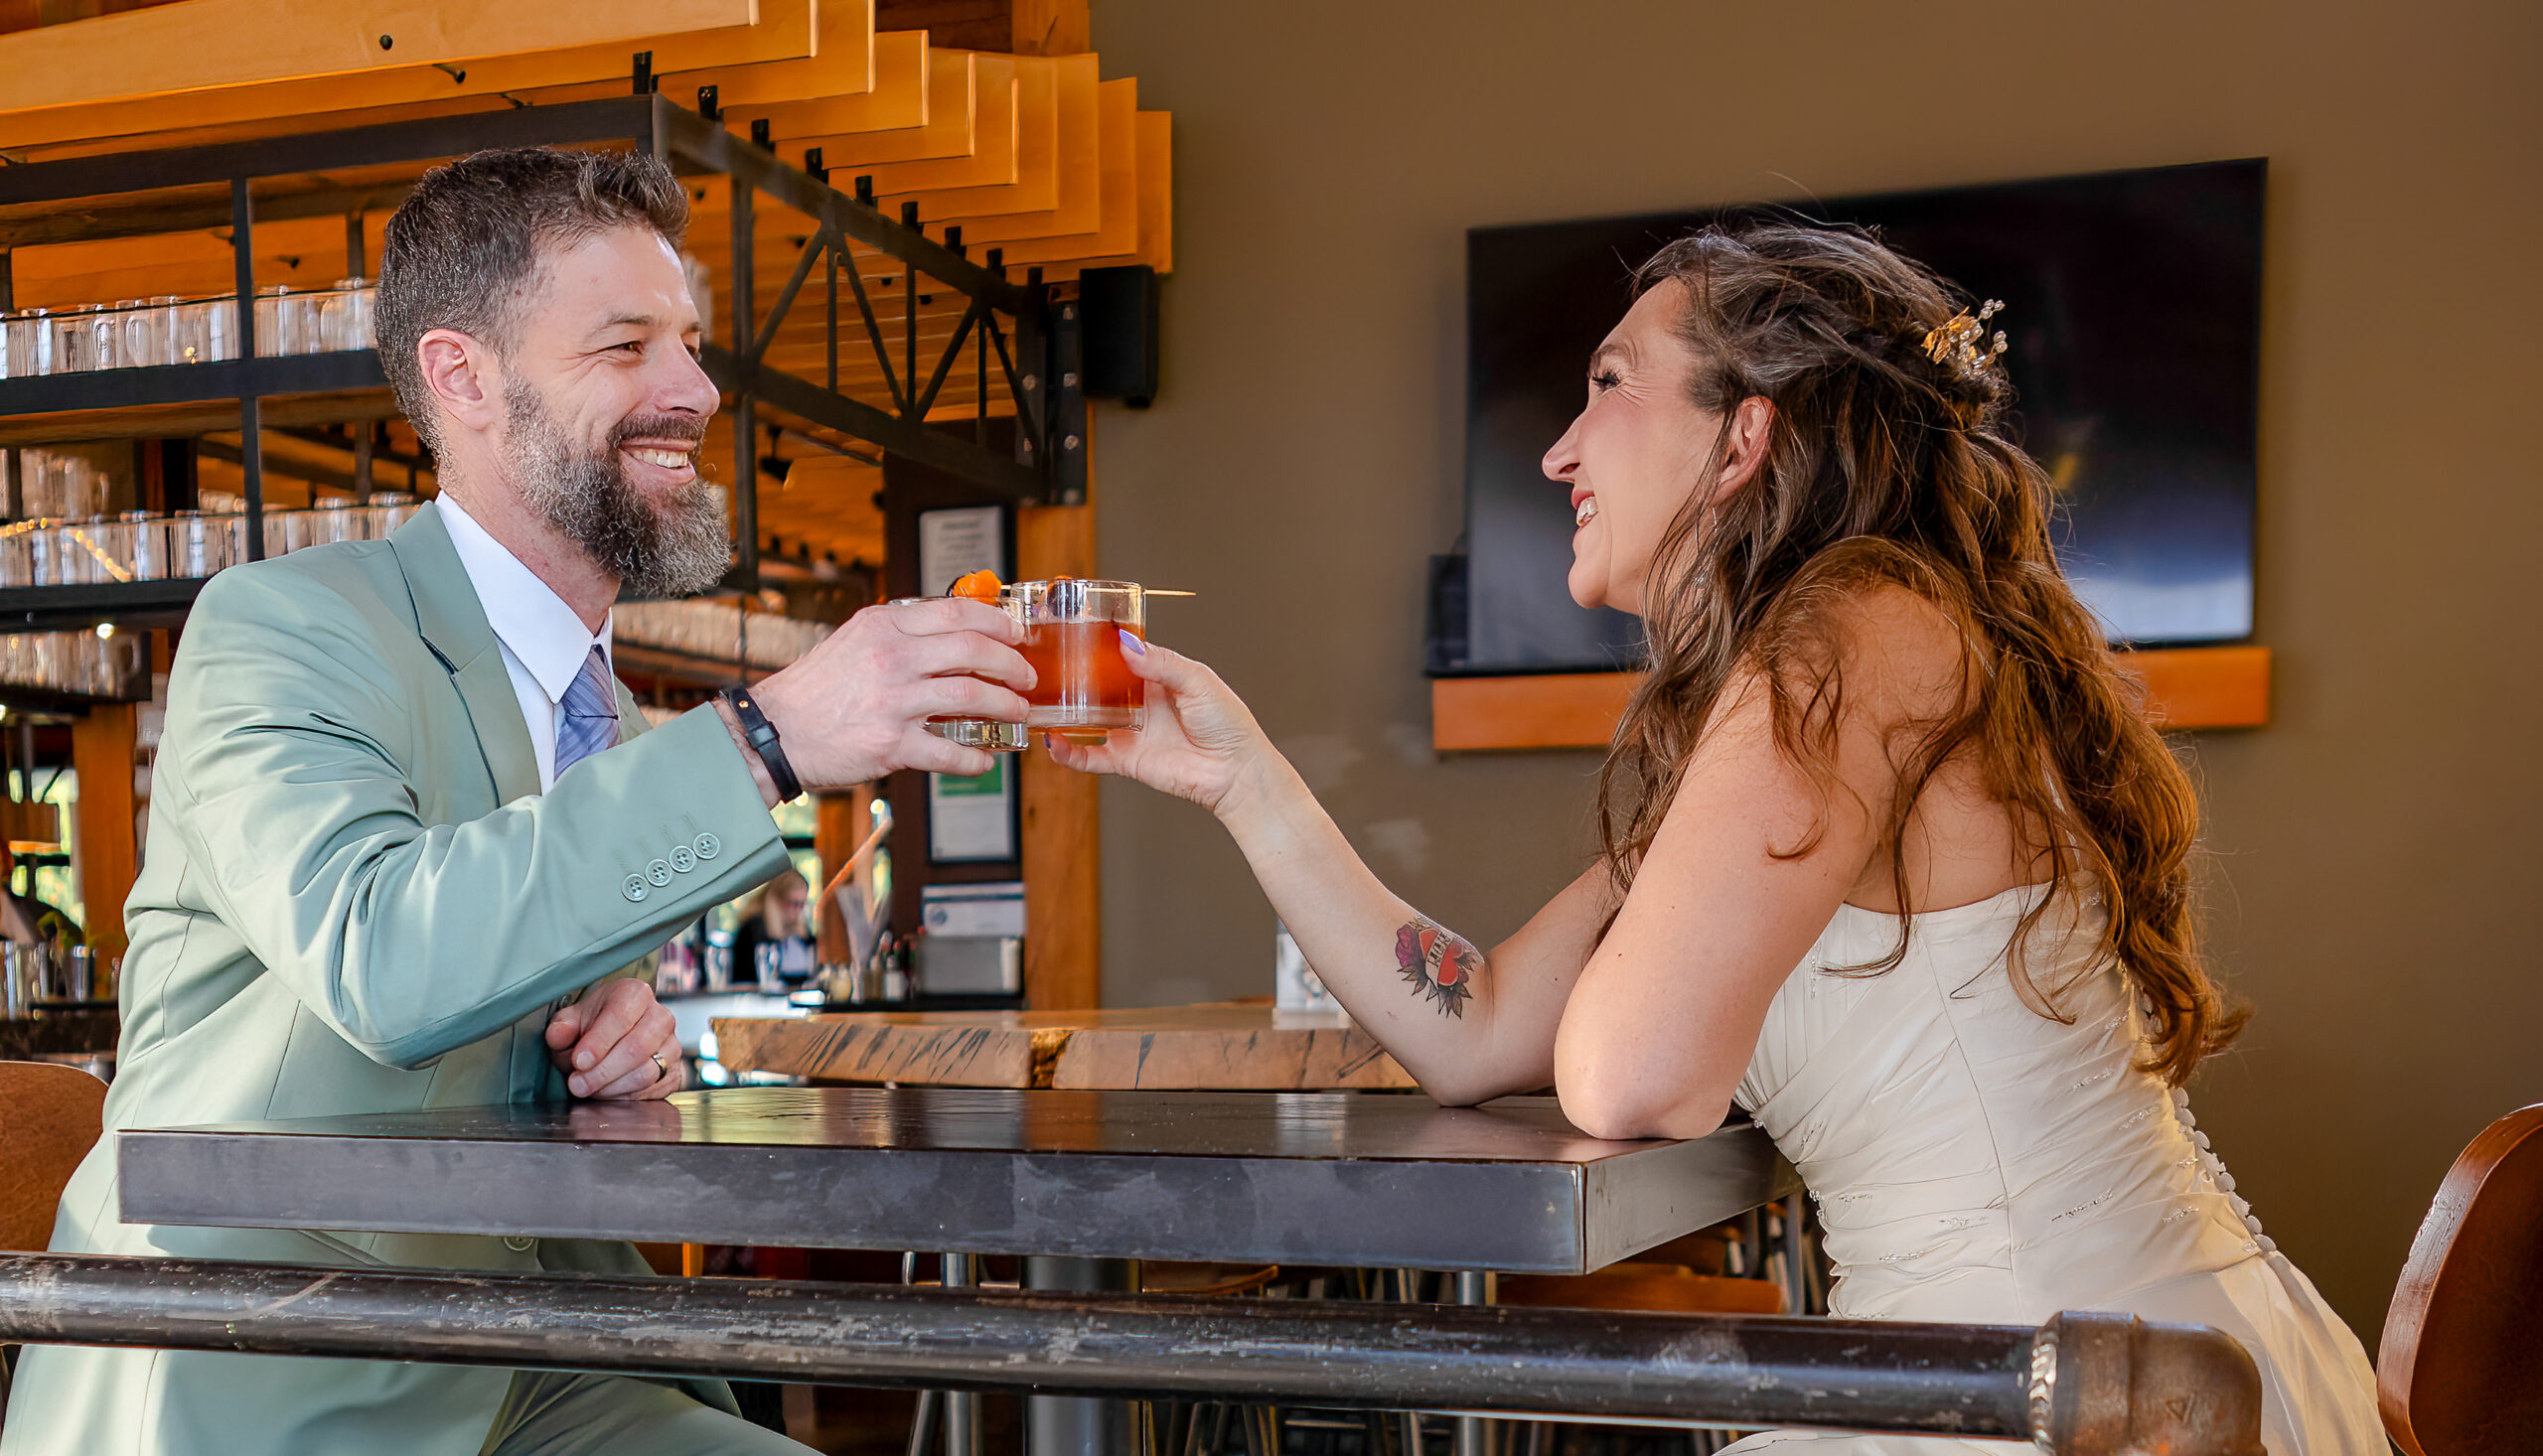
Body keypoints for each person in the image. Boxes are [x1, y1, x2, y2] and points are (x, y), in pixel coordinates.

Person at [1051, 221, 2383, 1452]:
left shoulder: (1855, 634)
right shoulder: (1832, 671)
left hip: (2065, 1386)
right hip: (2063, 1359)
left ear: (1742, 439)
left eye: (1610, 383)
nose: (1558, 450)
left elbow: (1632, 1079)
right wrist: (1242, 776)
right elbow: (1478, 1026)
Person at [1, 148, 1031, 1456]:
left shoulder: (599, 705)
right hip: (271, 1361)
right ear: (463, 376)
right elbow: (380, 957)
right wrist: (769, 735)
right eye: (626, 345)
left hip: (529, 1353)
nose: (698, 390)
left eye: (693, 343)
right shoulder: (283, 625)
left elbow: (507, 949)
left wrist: (603, 1039)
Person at [730, 867, 818, 986]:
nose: (798, 911)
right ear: (777, 900)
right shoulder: (754, 929)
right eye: (793, 903)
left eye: (802, 904)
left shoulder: (802, 934)